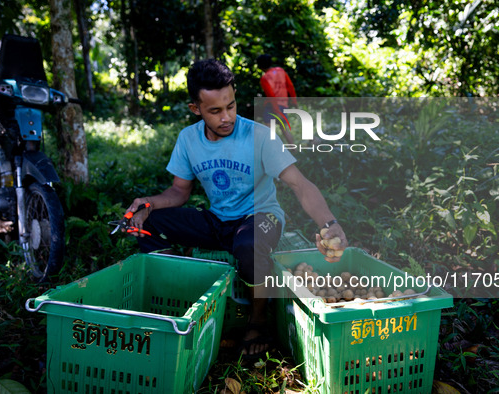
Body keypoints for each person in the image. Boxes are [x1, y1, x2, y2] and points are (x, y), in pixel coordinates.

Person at [125, 59, 347, 359]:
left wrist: (328, 222)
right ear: (196, 109)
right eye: (215, 111)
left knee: (249, 244)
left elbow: (300, 184)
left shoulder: (259, 136)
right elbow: (178, 192)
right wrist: (147, 204)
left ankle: (258, 322)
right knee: (148, 224)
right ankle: (179, 296)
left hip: (260, 217)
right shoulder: (188, 140)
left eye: (231, 106)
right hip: (217, 221)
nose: (227, 116)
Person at [257, 54, 297, 144]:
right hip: (284, 104)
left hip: (272, 106)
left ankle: (271, 153)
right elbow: (290, 86)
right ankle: (294, 150)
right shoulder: (281, 71)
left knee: (268, 130)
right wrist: (294, 101)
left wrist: (276, 110)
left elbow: (271, 95)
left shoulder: (265, 78)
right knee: (284, 129)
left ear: (260, 66)